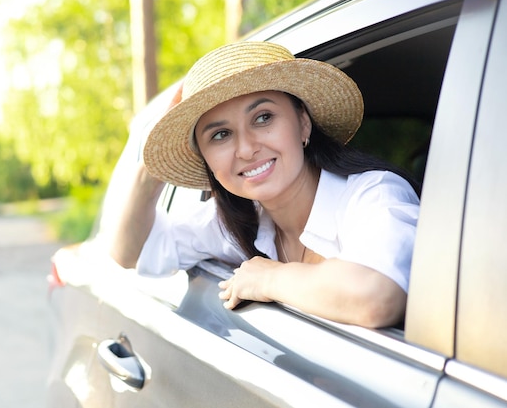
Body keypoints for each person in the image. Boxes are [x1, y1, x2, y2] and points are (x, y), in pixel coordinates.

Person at [109, 41, 420, 328]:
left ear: (303, 123)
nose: (246, 149)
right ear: (208, 162)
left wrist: (270, 279)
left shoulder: (374, 195)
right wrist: (153, 169)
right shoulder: (239, 222)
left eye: (263, 117)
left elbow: (376, 297)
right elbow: (129, 253)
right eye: (220, 135)